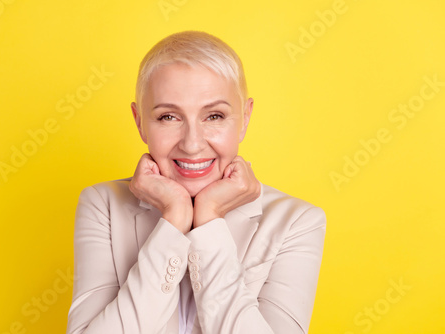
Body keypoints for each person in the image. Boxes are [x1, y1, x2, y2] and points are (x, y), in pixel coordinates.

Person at [65, 30, 326, 334]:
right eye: (168, 117)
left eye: (214, 116)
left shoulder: (297, 221)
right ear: (139, 122)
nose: (192, 144)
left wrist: (209, 221)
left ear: (244, 118)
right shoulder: (103, 205)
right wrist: (173, 220)